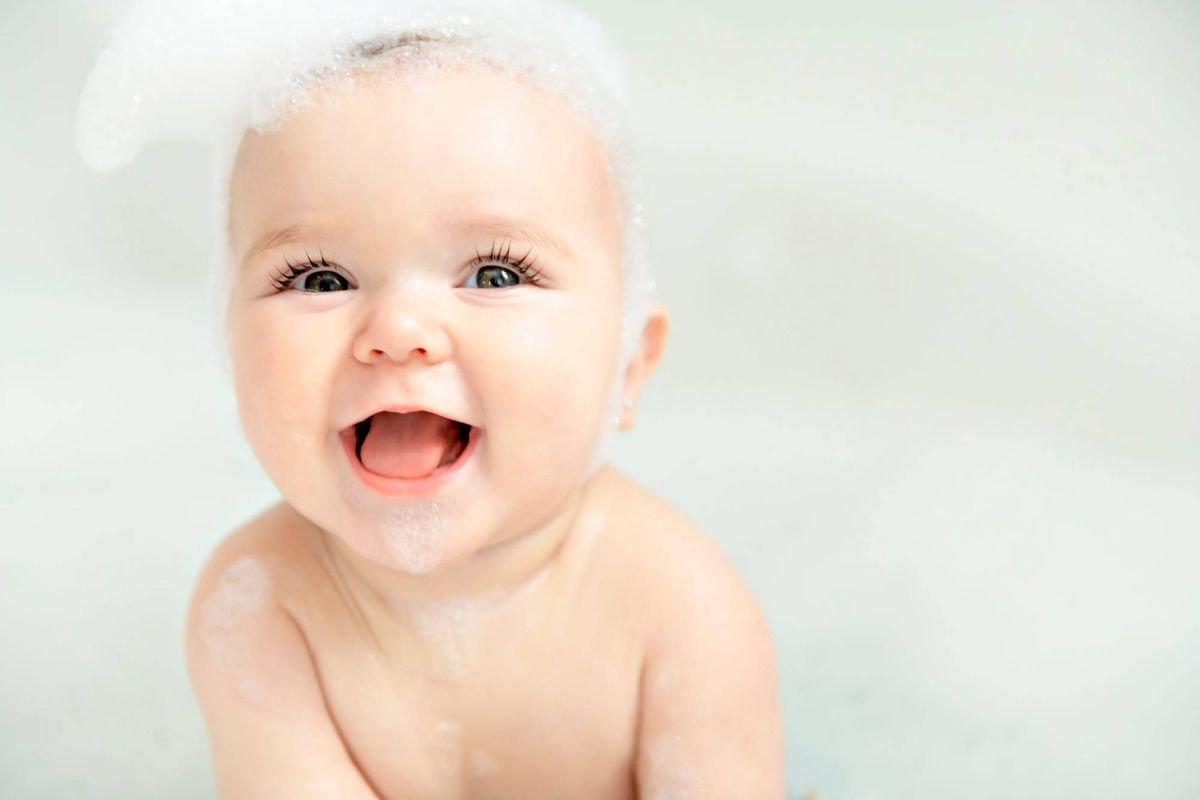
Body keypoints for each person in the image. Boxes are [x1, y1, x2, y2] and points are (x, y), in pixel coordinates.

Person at [78, 2, 785, 796]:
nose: (399, 330)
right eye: (320, 278)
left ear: (628, 364)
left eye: (494, 274)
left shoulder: (678, 610)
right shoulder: (260, 602)